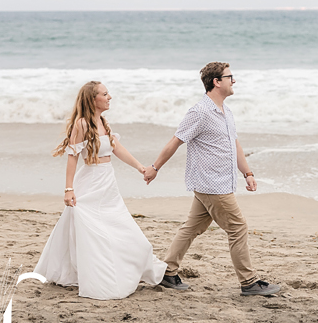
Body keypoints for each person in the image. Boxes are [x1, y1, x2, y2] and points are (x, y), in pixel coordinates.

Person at [144, 61, 280, 296]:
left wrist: (247, 173)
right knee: (238, 228)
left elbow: (234, 144)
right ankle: (249, 282)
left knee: (192, 227)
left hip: (218, 182)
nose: (233, 80)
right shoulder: (200, 112)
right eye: (230, 77)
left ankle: (168, 272)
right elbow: (176, 140)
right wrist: (155, 167)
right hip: (211, 184)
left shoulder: (226, 112)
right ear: (216, 82)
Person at [35, 81, 167, 300]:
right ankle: (96, 274)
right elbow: (72, 158)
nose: (110, 97)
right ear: (92, 99)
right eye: (105, 94)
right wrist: (68, 189)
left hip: (108, 183)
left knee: (119, 225)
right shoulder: (82, 124)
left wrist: (140, 167)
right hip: (90, 182)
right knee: (90, 228)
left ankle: (125, 265)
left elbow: (117, 149)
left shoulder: (103, 122)